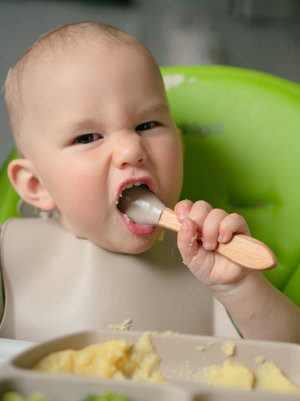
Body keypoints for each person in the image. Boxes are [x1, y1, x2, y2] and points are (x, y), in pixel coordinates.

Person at [1, 22, 299, 342]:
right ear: (36, 185)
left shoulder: (207, 258)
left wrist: (239, 286)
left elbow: (290, 358)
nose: (131, 149)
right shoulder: (10, 256)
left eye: (147, 124)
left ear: (180, 147)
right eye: (88, 137)